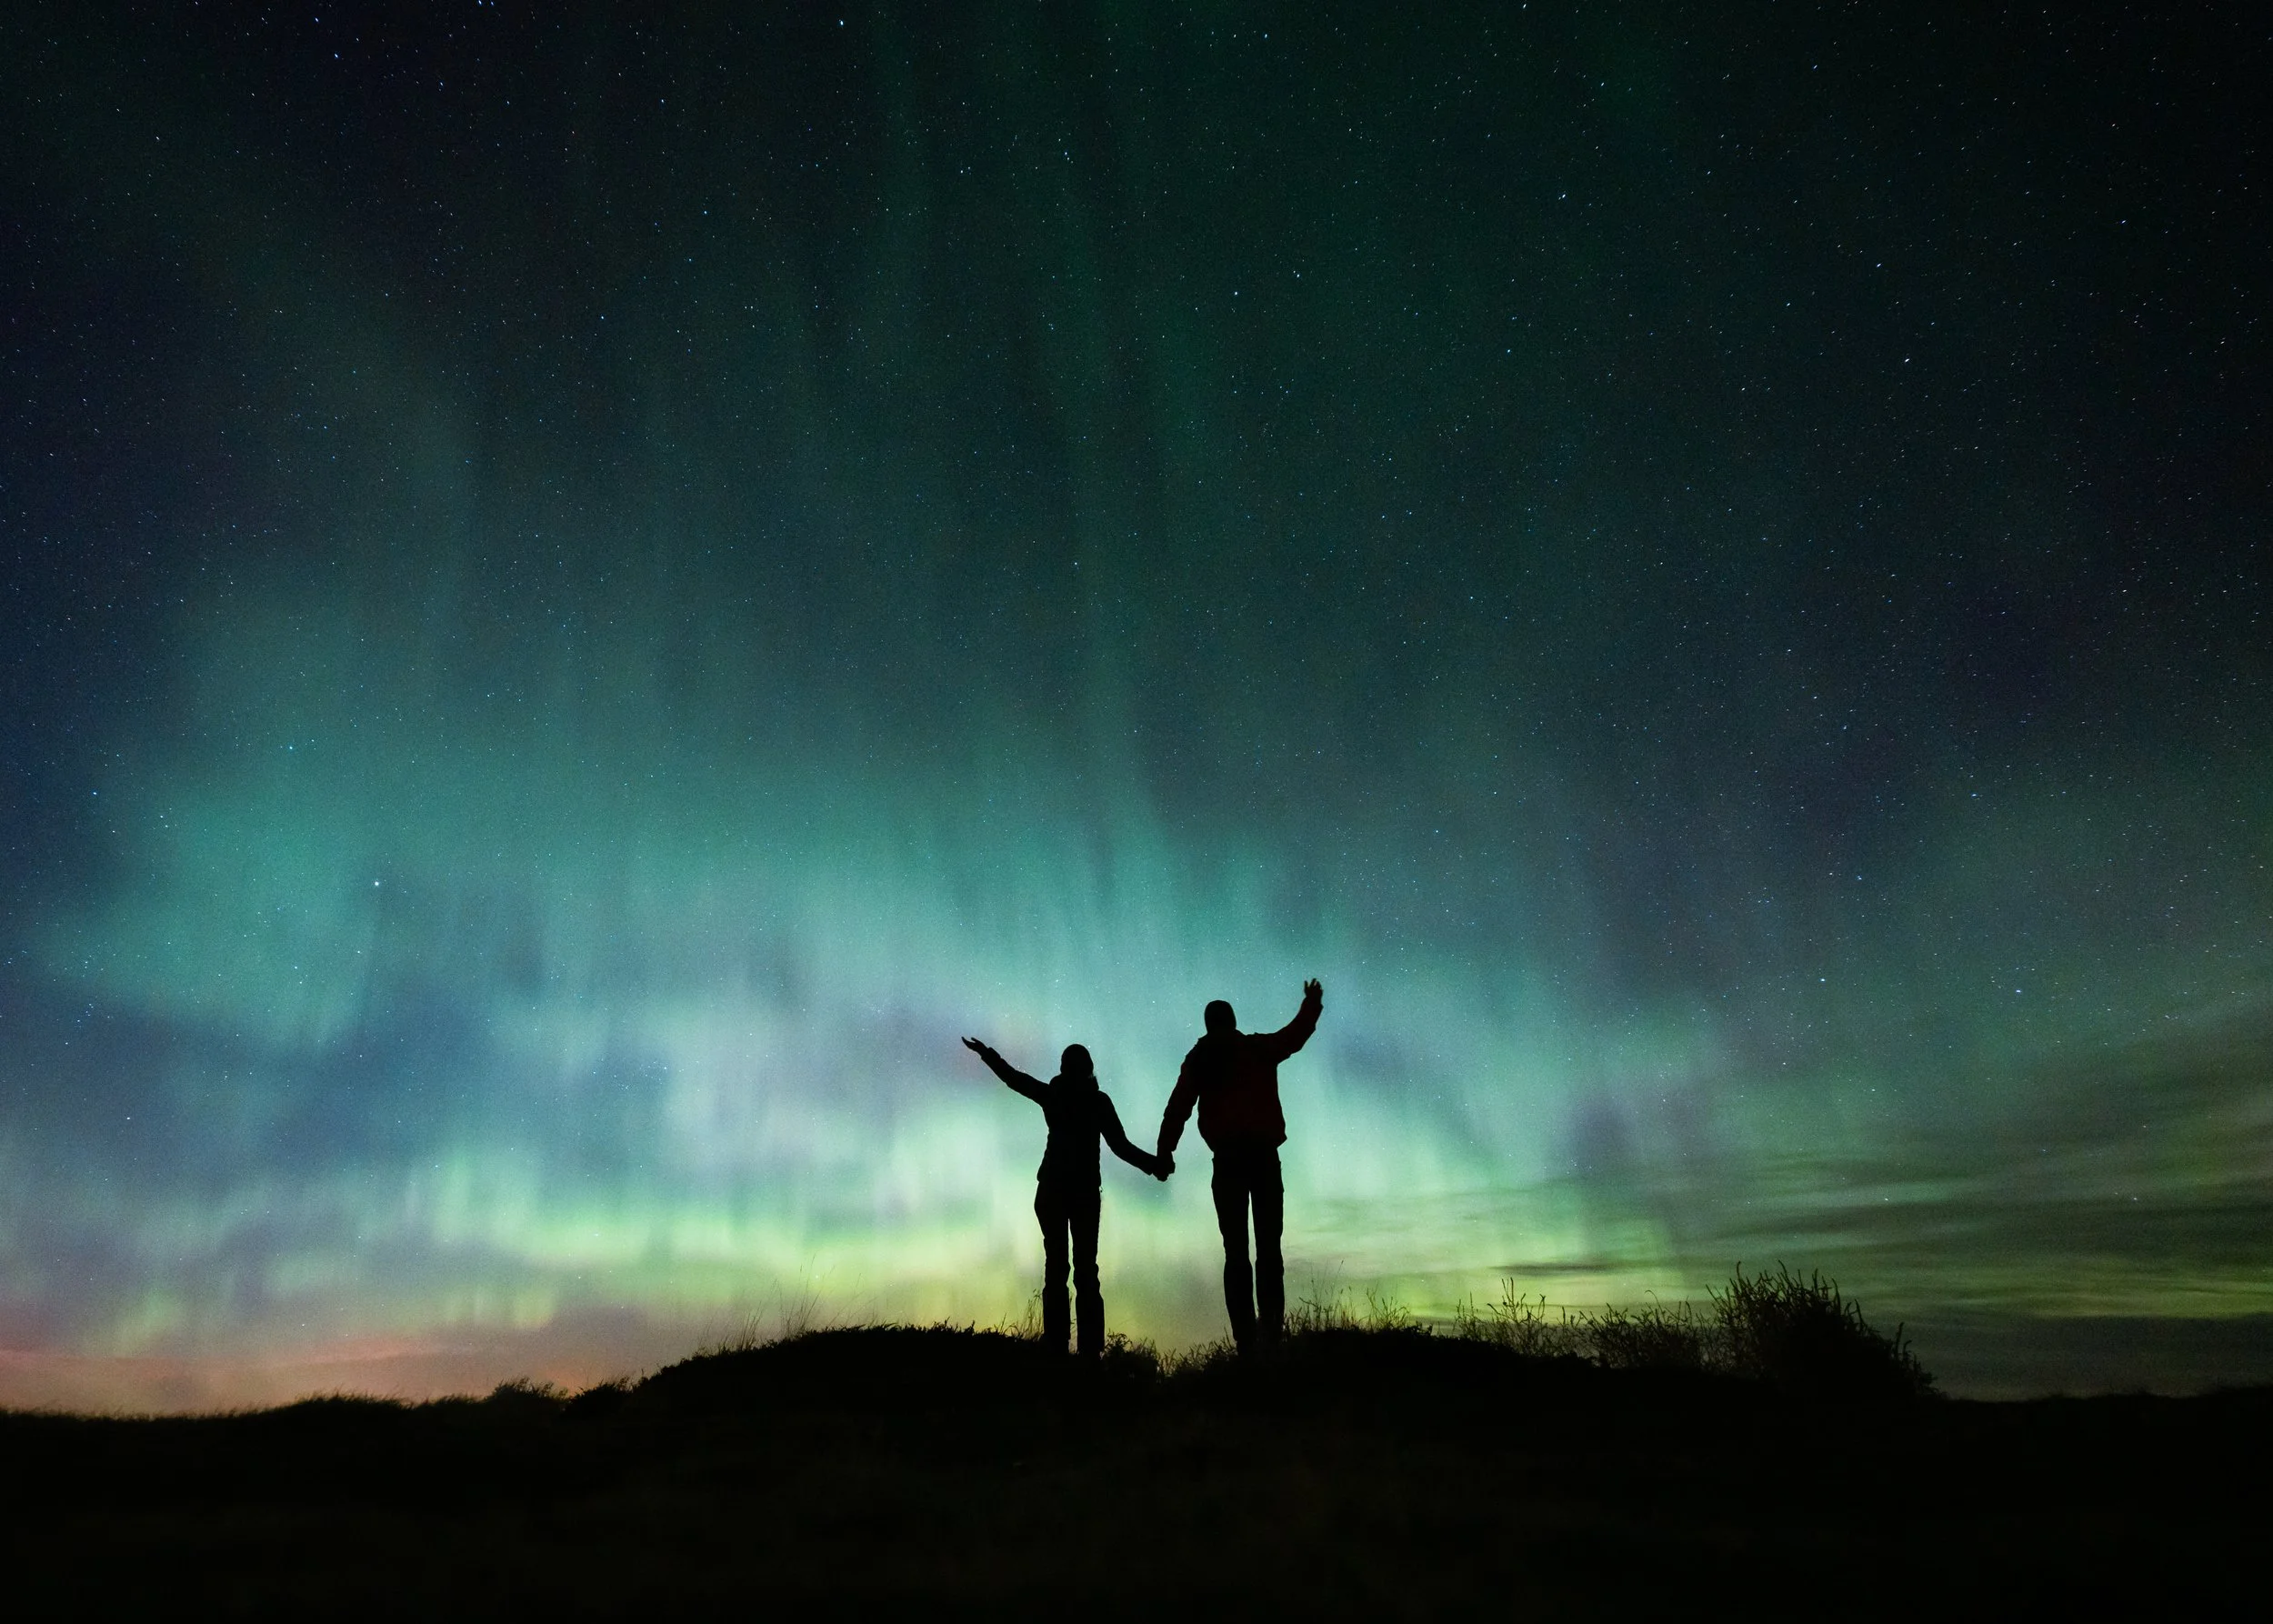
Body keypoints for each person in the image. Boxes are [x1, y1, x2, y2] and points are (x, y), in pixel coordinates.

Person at [962, 1036, 1167, 1357]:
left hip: (1053, 1190)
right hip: (1082, 1193)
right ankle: (1089, 1352)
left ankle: (1057, 1347)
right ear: (1089, 1070)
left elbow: (1014, 1079)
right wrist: (1153, 1165)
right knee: (1086, 1270)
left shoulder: (1053, 1095)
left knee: (1057, 1267)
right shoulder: (1097, 1102)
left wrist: (987, 1054)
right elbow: (1120, 1146)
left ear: (1063, 1068)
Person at [1156, 979, 1324, 1351]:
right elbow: (1293, 1037)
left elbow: (1179, 1106)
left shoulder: (1201, 1057)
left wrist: (1165, 1152)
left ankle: (1247, 1343)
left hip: (1229, 1161)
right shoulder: (1255, 1048)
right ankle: (1271, 1337)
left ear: (1208, 1024)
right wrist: (1311, 1004)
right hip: (1263, 1158)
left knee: (1237, 1254)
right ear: (1232, 1021)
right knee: (1269, 1250)